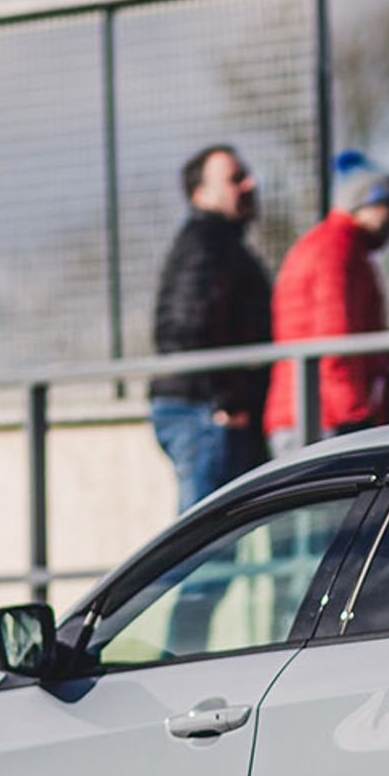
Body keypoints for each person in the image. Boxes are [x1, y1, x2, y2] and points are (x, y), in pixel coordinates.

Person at [146, 144, 272, 510]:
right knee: (205, 555)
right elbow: (184, 327)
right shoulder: (207, 242)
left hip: (204, 408)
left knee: (215, 548)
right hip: (202, 410)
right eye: (235, 179)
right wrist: (224, 399)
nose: (250, 184)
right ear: (201, 193)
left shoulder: (220, 243)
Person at [264, 151, 389, 452]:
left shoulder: (338, 246)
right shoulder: (337, 250)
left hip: (313, 411)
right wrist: (353, 416)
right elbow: (335, 340)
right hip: (319, 417)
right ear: (367, 205)